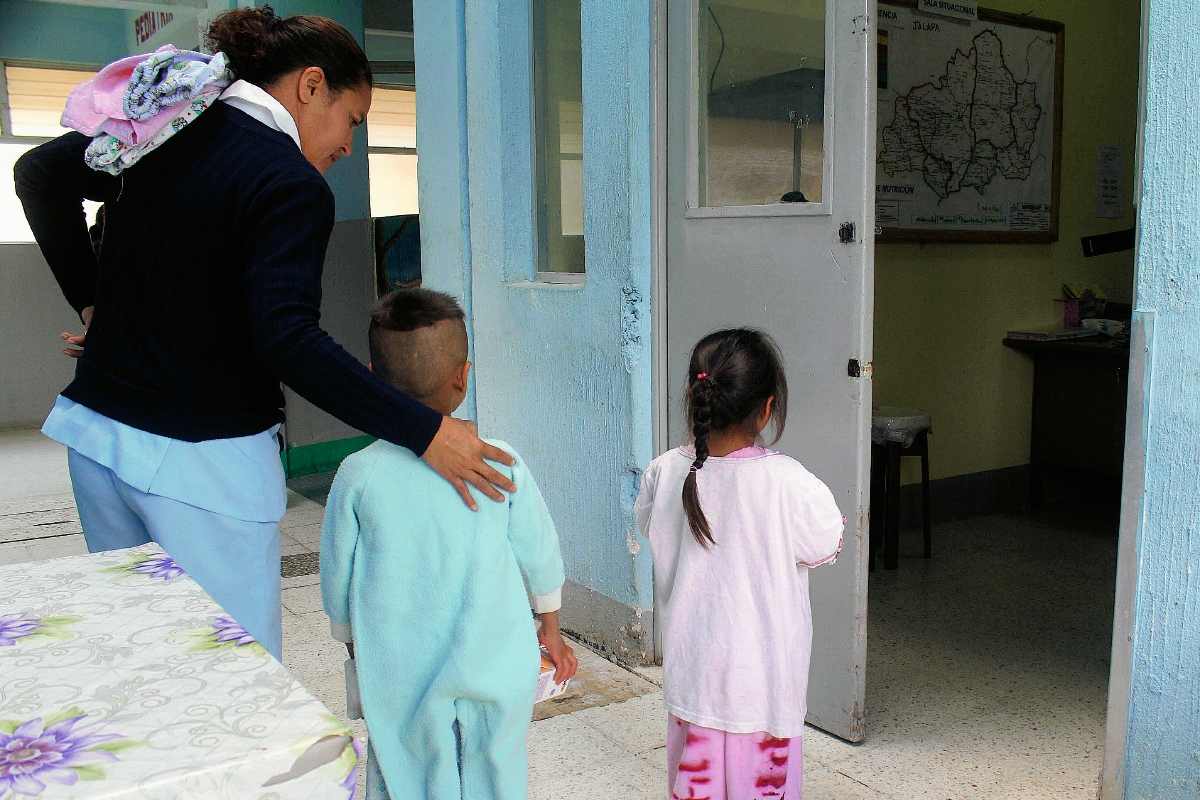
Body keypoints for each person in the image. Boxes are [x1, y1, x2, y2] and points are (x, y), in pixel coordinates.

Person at [12, 6, 515, 662]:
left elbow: (40, 175)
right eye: (353, 119)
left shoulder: (167, 128)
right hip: (199, 467)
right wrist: (424, 430)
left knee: (144, 660)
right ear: (311, 86)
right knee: (234, 679)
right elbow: (286, 338)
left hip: (96, 439)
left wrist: (94, 303)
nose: (348, 144)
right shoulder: (288, 183)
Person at [320, 288, 578, 800]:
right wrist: (550, 627)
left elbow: (338, 577)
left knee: (405, 766)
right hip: (495, 660)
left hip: (399, 666)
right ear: (463, 375)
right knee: (498, 765)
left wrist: (350, 638)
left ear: (371, 378)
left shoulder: (358, 475)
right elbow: (539, 551)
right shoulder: (499, 459)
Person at [634, 328, 845, 800]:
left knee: (696, 786)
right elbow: (825, 542)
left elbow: (652, 527)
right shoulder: (791, 485)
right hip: (764, 692)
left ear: (693, 397)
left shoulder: (663, 472)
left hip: (692, 686)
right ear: (767, 408)